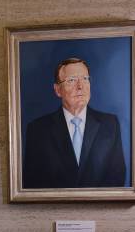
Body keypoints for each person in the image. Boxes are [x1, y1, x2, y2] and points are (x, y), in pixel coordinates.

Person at [22, 57, 126, 189]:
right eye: (72, 80)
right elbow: (32, 183)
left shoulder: (110, 125)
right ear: (57, 90)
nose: (80, 86)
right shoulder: (38, 130)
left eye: (85, 79)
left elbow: (117, 178)